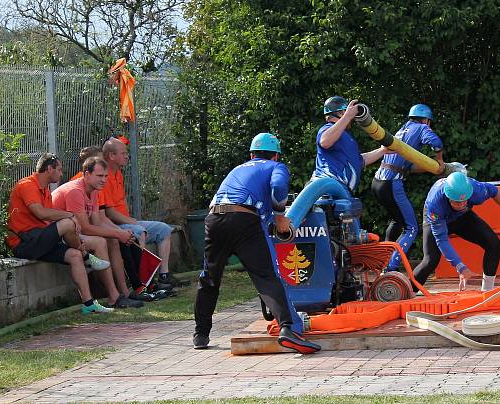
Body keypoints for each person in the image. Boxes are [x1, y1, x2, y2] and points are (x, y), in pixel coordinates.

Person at [193, 133, 321, 353]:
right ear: (276, 156)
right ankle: (288, 329)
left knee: (210, 278)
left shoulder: (238, 169)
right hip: (244, 220)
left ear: (251, 154)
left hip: (214, 219)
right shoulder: (276, 167)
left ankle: (200, 334)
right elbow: (279, 187)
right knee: (266, 277)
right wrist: (281, 217)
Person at [6, 153, 114, 314]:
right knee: (68, 222)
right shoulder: (27, 184)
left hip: (38, 239)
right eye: (59, 169)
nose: (62, 174)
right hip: (23, 243)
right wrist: (70, 217)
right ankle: (87, 257)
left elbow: (47, 222)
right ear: (49, 169)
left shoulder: (46, 190)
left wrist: (66, 235)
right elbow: (41, 213)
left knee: (74, 256)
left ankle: (88, 303)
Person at [413, 172, 500, 292]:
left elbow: (494, 191)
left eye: (464, 201)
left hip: (462, 217)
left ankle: (487, 291)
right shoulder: (435, 205)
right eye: (457, 202)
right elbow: (442, 240)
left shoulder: (476, 190)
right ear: (448, 196)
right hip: (439, 220)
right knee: (430, 260)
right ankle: (406, 291)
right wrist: (460, 267)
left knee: (493, 243)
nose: (461, 204)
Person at [52, 157, 143, 308]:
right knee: (101, 242)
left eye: (106, 176)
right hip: (60, 236)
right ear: (87, 175)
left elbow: (97, 222)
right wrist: (117, 233)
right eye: (100, 176)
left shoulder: (93, 190)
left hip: (75, 232)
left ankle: (124, 292)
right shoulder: (75, 191)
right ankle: (114, 297)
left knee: (112, 240)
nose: (104, 180)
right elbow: (86, 228)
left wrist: (119, 232)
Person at [101, 137, 185, 288]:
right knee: (139, 231)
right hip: (114, 225)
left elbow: (122, 202)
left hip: (126, 221)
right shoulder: (103, 177)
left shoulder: (118, 173)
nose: (127, 156)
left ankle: (164, 275)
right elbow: (109, 214)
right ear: (111, 156)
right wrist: (131, 222)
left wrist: (129, 219)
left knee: (164, 229)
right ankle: (144, 280)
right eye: (123, 153)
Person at [371, 103, 444, 272]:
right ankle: (390, 269)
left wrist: (431, 168)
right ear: (426, 120)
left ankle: (381, 261)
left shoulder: (403, 130)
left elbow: (407, 167)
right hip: (391, 183)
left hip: (377, 182)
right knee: (411, 227)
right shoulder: (421, 128)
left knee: (397, 221)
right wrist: (439, 161)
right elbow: (436, 143)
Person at [311, 96, 390, 192]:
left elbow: (359, 160)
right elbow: (325, 142)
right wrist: (347, 116)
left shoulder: (345, 136)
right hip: (326, 189)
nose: (352, 119)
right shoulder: (327, 128)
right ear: (342, 112)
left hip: (341, 191)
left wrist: (383, 150)